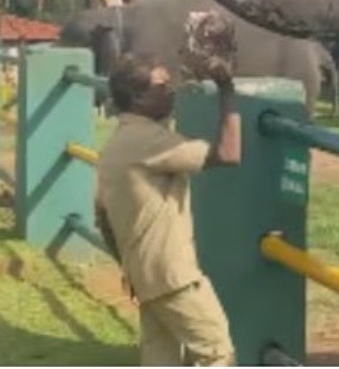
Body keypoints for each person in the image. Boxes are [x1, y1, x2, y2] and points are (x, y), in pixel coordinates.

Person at [94, 52, 241, 366]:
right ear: (138, 97)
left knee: (161, 360)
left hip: (144, 276)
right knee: (216, 351)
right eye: (162, 86)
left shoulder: (115, 146)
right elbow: (229, 153)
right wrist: (227, 88)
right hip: (174, 276)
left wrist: (129, 266)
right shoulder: (151, 142)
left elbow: (102, 218)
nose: (171, 91)